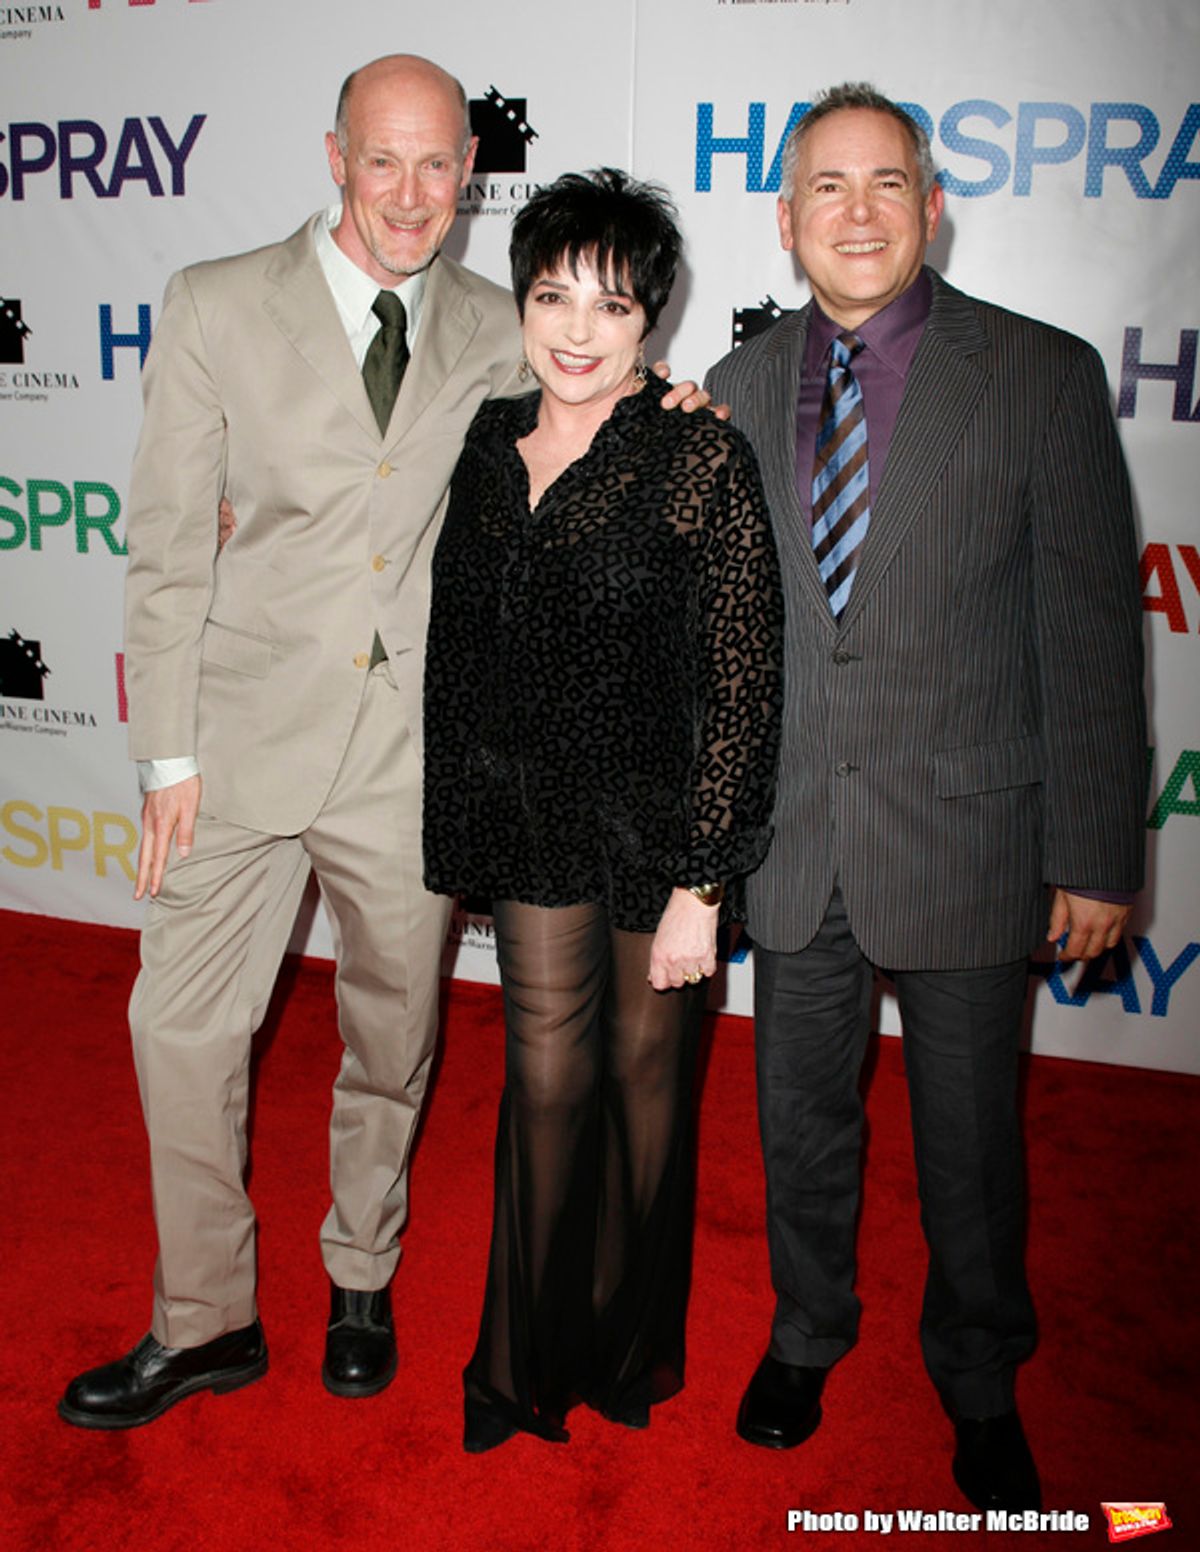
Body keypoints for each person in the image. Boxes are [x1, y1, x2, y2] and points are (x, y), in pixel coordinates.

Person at [59, 57, 707, 1432]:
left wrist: (684, 406)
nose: (410, 196)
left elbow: (602, 401)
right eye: (382, 161)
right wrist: (164, 759)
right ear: (335, 157)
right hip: (234, 746)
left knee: (391, 1036)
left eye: (437, 166)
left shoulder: (506, 322)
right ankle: (206, 1319)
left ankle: (361, 1272)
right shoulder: (216, 303)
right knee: (177, 1029)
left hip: (416, 756)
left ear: (471, 167)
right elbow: (168, 548)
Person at [705, 84, 1145, 1511]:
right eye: (825, 188)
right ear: (784, 221)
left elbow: (1086, 632)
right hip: (794, 838)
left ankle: (976, 1368)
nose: (857, 212)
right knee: (800, 1122)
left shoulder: (1040, 372)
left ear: (931, 202)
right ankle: (806, 1331)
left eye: (885, 182)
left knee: (972, 1138)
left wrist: (1094, 850)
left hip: (969, 831)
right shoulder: (738, 387)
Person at [423, 168, 784, 1451]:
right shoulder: (486, 439)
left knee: (644, 1089)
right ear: (520, 303)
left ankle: (627, 1345)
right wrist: (458, 830)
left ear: (652, 324)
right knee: (543, 1083)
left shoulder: (699, 451)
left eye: (612, 306)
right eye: (552, 296)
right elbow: (458, 651)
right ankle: (521, 1361)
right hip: (533, 824)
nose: (578, 330)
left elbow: (743, 675)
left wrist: (705, 879)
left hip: (657, 833)